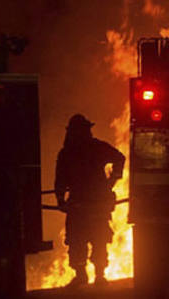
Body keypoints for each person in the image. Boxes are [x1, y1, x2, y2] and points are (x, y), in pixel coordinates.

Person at [54, 114, 126, 288]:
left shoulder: (88, 149)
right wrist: (60, 199)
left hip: (93, 204)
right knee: (79, 240)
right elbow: (60, 180)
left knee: (97, 239)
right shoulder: (69, 153)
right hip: (83, 204)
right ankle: (82, 275)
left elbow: (119, 158)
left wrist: (112, 180)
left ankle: (98, 275)